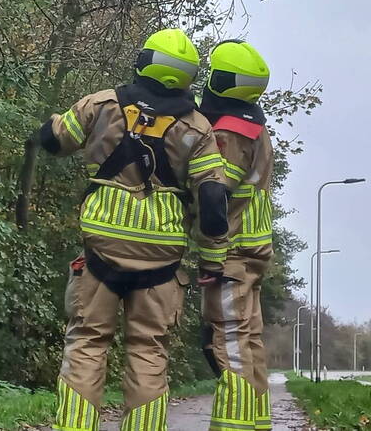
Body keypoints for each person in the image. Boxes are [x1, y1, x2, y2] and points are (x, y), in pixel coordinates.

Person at [39, 29, 231, 431]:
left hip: (99, 254)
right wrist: (212, 260)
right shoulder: (198, 129)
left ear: (146, 61)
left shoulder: (102, 103)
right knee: (149, 352)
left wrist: (50, 126)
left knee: (88, 345)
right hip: (161, 264)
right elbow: (213, 202)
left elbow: (58, 141)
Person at [196, 40, 274, 431]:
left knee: (229, 347)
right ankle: (256, 423)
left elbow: (214, 194)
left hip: (232, 252)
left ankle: (234, 426)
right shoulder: (255, 127)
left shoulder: (228, 133)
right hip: (251, 251)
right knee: (249, 343)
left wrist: (210, 253)